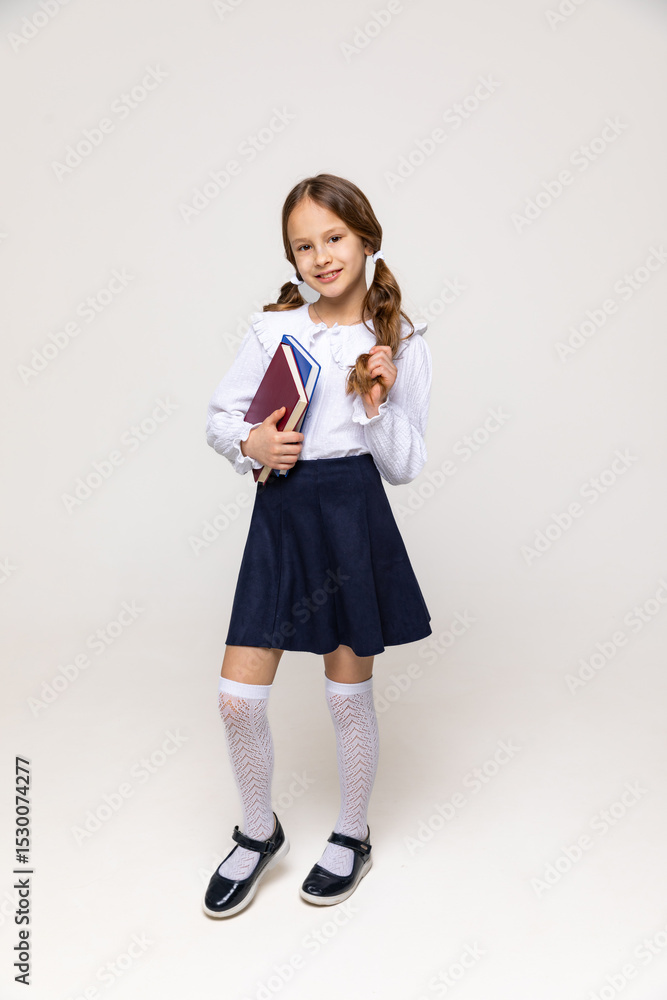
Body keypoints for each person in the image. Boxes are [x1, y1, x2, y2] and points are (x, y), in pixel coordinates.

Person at [202, 173, 433, 918]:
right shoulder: (274, 329)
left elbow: (402, 466)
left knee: (345, 697)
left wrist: (373, 402)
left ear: (366, 237)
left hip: (351, 513)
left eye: (333, 238)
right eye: (304, 245)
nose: (320, 256)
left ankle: (352, 833)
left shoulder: (400, 339)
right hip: (281, 513)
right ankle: (257, 830)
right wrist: (251, 441)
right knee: (238, 701)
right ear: (292, 258)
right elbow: (220, 417)